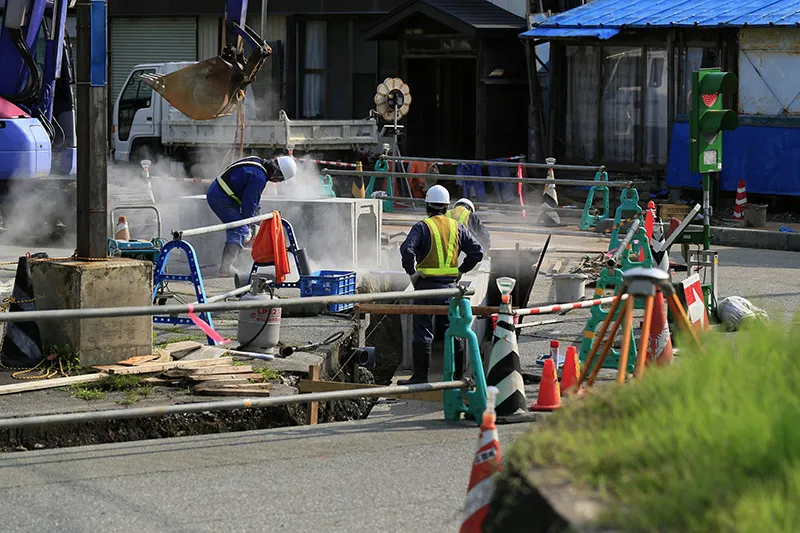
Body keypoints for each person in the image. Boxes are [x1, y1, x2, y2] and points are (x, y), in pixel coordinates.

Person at [398, 185, 484, 384]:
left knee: (423, 331)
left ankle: (420, 377)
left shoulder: (422, 226)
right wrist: (461, 270)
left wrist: (412, 273)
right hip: (450, 290)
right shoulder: (457, 227)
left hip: (425, 288)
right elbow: (477, 252)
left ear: (427, 206)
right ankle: (458, 377)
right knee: (454, 330)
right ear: (446, 207)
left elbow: (407, 250)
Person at [206, 155, 298, 276]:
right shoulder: (258, 177)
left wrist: (257, 218)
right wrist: (248, 227)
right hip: (220, 198)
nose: (276, 182)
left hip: (221, 192)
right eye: (279, 180)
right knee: (240, 229)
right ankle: (226, 268)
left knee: (241, 229)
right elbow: (248, 206)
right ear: (277, 174)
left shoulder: (258, 162)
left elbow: (255, 199)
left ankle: (237, 250)